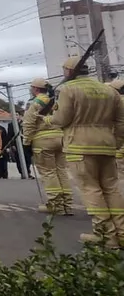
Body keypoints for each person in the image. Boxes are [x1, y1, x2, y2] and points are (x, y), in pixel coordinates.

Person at [51, 56, 124, 246]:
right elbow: (121, 121)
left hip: (79, 146)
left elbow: (61, 119)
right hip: (107, 145)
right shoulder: (109, 90)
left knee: (91, 189)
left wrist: (49, 119)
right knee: (111, 189)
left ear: (68, 71)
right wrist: (116, 141)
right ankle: (122, 232)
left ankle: (105, 235)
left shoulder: (68, 89)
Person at [21, 78, 72, 215]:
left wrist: (26, 142)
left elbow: (28, 123)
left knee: (48, 172)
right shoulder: (57, 100)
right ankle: (67, 204)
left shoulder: (35, 102)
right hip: (60, 138)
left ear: (36, 89)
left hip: (43, 140)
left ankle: (55, 205)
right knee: (61, 171)